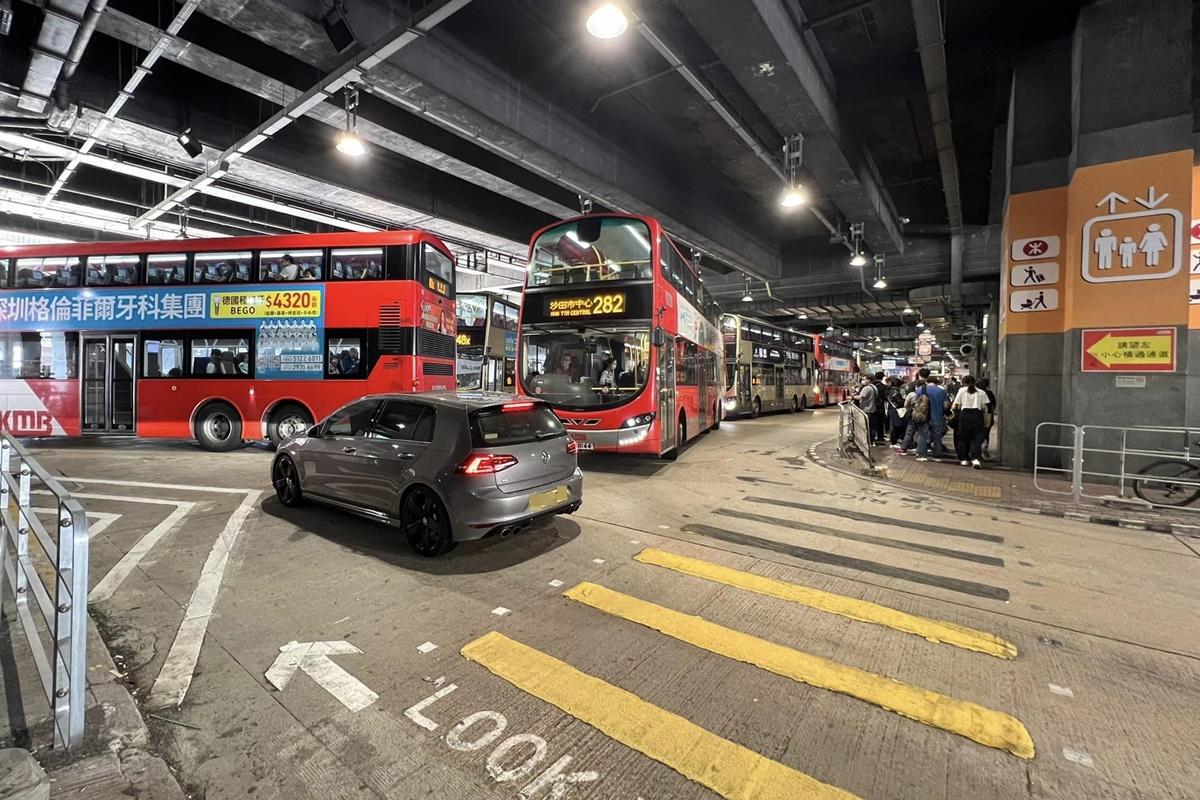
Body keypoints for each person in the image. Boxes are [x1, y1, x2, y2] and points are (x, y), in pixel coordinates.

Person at [952, 375, 988, 468]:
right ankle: (975, 459)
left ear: (963, 383)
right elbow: (984, 407)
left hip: (964, 415)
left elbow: (955, 406)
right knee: (976, 438)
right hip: (977, 416)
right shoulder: (981, 392)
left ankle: (964, 459)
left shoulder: (961, 391)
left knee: (962, 437)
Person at [925, 374, 950, 459]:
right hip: (937, 416)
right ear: (937, 383)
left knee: (922, 435)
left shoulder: (921, 389)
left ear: (927, 382)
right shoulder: (941, 391)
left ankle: (922, 454)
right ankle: (937, 456)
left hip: (923, 417)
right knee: (937, 437)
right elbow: (946, 406)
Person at [856, 376, 880, 443]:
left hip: (867, 409)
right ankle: (872, 440)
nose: (863, 381)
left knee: (866, 427)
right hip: (873, 409)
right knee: (871, 426)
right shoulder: (874, 387)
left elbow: (860, 397)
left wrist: (852, 397)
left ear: (869, 380)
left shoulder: (867, 388)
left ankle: (868, 441)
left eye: (864, 379)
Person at [978, 378, 997, 458]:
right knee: (986, 432)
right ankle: (984, 446)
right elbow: (993, 406)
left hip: (977, 415)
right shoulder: (990, 393)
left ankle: (978, 449)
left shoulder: (977, 393)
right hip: (988, 415)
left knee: (977, 433)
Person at [871, 371, 888, 444]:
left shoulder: (870, 386)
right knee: (880, 422)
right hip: (880, 407)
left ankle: (871, 437)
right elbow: (886, 398)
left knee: (871, 423)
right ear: (882, 377)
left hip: (870, 407)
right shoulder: (883, 387)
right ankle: (880, 437)